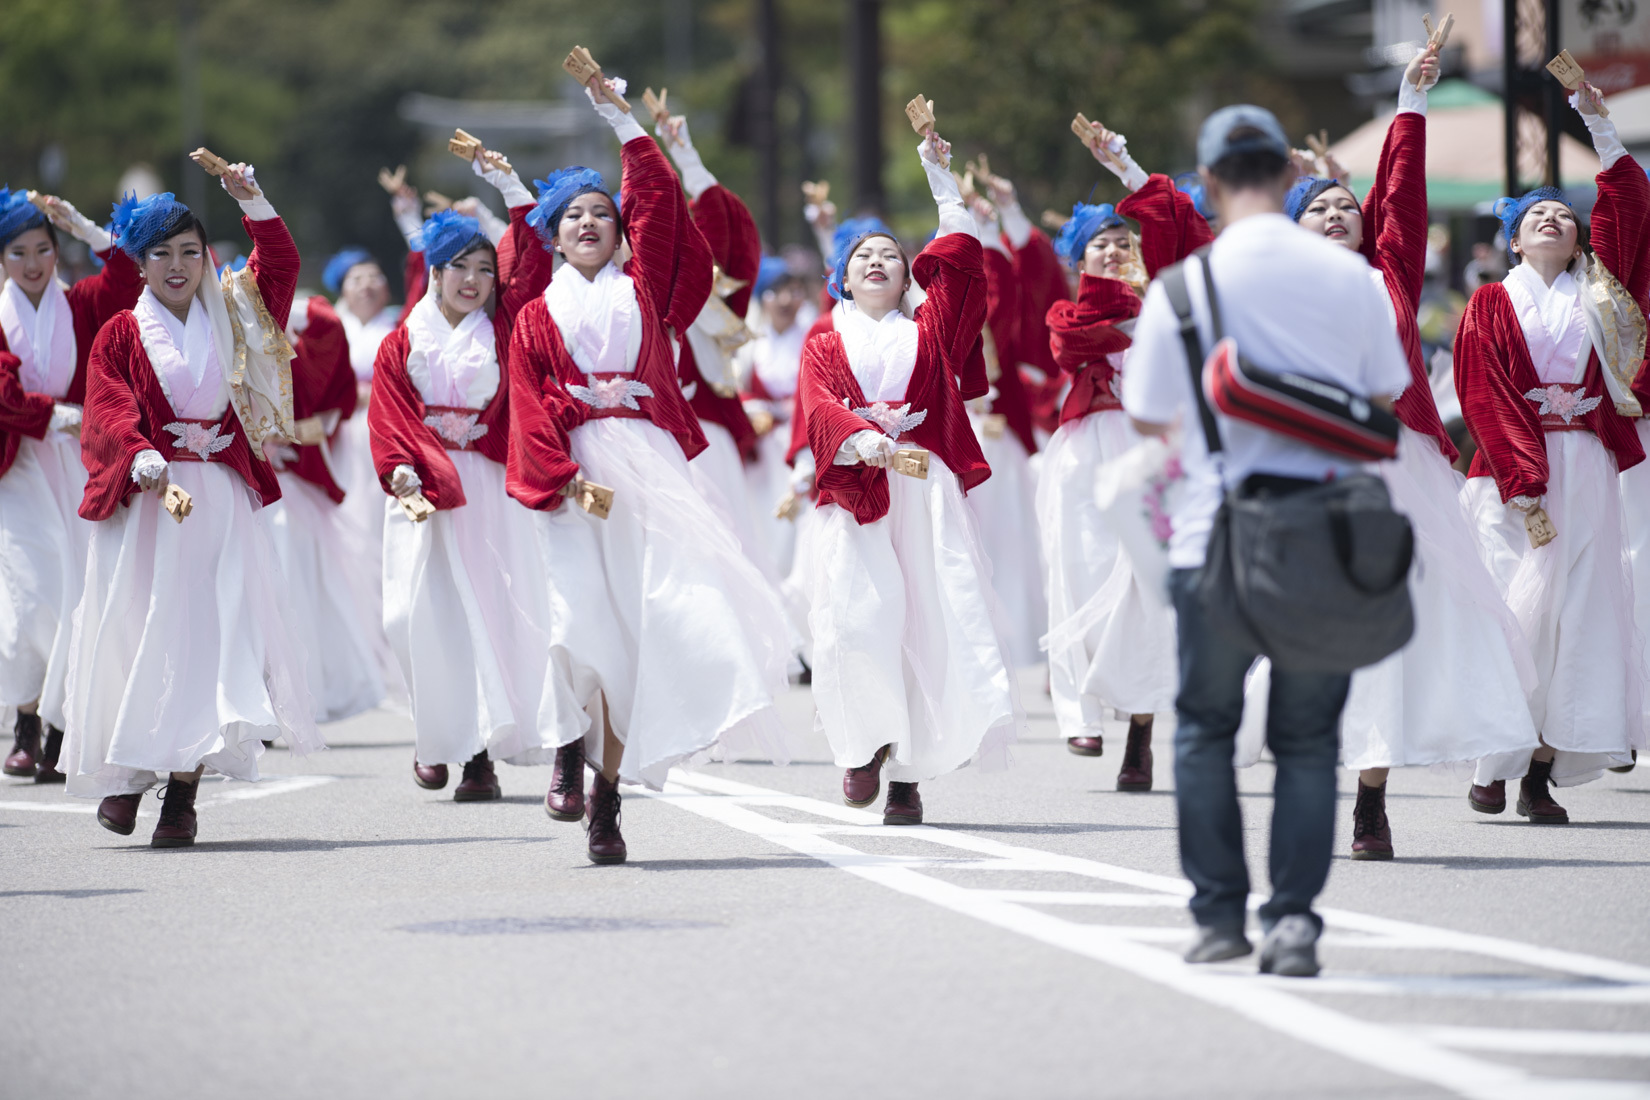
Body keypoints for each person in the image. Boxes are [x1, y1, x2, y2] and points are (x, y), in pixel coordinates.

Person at [1122, 105, 1410, 976]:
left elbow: (1146, 415)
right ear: (1290, 175)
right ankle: (1293, 924)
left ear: (1207, 183)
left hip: (1213, 531)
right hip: (1327, 527)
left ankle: (1218, 917)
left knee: (1206, 727)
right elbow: (1386, 391)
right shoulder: (1353, 280)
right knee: (1310, 739)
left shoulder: (1183, 287)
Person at [1251, 44, 1541, 860]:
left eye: (1348, 205)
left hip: (1402, 465)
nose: (1339, 214)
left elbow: (1402, 198)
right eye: (1321, 208)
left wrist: (1412, 101)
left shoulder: (1390, 275)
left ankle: (1370, 798)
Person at [507, 73, 796, 864]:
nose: (591, 223)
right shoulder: (536, 312)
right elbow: (528, 401)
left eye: (603, 213)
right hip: (572, 477)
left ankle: (607, 798)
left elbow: (662, 209)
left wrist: (623, 124)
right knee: (576, 619)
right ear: (553, 237)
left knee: (649, 624)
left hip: (650, 463)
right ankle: (568, 739)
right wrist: (561, 474)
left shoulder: (649, 290)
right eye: (575, 216)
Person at [63, 160, 325, 847]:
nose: (178, 266)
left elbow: (282, 265)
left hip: (220, 496)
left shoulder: (234, 314)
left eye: (190, 252)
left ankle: (182, 796)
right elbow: (107, 405)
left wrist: (253, 199)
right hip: (152, 497)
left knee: (216, 635)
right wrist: (141, 454)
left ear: (207, 258)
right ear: (141, 264)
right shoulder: (122, 331)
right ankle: (128, 773)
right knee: (145, 628)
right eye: (162, 254)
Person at [798, 125, 1022, 826]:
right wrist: (860, 440)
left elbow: (962, 265)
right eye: (863, 255)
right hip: (857, 489)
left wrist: (939, 181)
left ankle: (910, 774)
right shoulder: (825, 338)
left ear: (907, 276)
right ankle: (864, 746)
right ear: (842, 275)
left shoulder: (930, 333)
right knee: (859, 618)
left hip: (923, 492)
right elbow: (817, 404)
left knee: (926, 621)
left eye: (891, 256)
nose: (877, 262)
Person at [1454, 82, 1650, 816]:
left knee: (1577, 618)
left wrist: (1599, 123)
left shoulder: (1601, 297)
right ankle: (1491, 756)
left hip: (1586, 467)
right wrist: (1524, 478)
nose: (1552, 221)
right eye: (1537, 214)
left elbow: (1630, 204)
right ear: (1513, 237)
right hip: (1511, 473)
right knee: (1512, 609)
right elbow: (1483, 392)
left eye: (1565, 217)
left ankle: (1539, 769)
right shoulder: (1490, 303)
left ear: (1580, 240)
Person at [369, 145, 565, 802]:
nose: (474, 279)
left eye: (485, 268)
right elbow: (389, 410)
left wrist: (508, 183)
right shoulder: (403, 338)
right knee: (410, 616)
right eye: (461, 267)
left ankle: (478, 752)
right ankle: (435, 736)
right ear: (434, 270)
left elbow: (533, 256)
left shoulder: (505, 324)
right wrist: (397, 469)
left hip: (484, 487)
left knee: (485, 613)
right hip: (420, 490)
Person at [1038, 121, 1213, 788]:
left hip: (1158, 455)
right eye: (1100, 246)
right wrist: (1139, 312)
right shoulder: (1068, 313)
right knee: (1082, 578)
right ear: (1078, 262)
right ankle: (1080, 708)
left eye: (1123, 242)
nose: (1114, 252)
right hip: (1089, 452)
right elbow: (1071, 345)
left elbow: (1186, 232)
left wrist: (1126, 167)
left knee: (1145, 587)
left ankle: (1140, 726)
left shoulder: (1169, 300)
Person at [0, 187, 142, 781]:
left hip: (81, 465)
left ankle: (64, 727)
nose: (32, 264)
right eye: (18, 253)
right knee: (31, 596)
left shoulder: (80, 303)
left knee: (80, 597)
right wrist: (53, 413)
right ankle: (26, 716)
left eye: (43, 249)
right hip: (20, 468)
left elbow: (130, 284)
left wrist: (89, 230)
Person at [264, 289, 385, 722]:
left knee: (297, 582)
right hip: (248, 482)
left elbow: (331, 414)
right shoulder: (229, 329)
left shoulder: (313, 337)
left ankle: (297, 692)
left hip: (294, 485)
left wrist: (282, 434)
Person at [961, 172, 1046, 670]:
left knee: (1007, 539)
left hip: (1000, 433)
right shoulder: (925, 304)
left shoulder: (997, 291)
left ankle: (1008, 640)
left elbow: (1007, 304)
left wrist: (992, 235)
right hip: (951, 435)